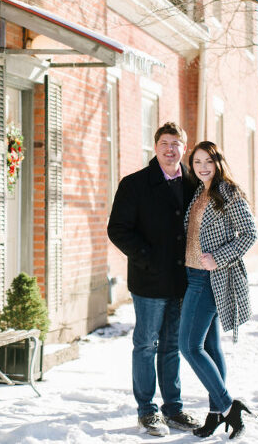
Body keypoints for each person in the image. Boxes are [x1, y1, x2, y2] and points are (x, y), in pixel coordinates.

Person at [107, 122, 200, 437]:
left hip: (182, 281)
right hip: (148, 281)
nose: (170, 149)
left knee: (172, 345)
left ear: (184, 148)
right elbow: (118, 230)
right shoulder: (135, 184)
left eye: (176, 143)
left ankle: (173, 409)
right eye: (164, 143)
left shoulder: (194, 184)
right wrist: (146, 257)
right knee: (146, 344)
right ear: (155, 146)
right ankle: (147, 411)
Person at [179, 141, 257, 440]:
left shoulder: (228, 192)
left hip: (209, 279)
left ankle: (228, 406)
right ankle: (215, 414)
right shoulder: (200, 191)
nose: (202, 167)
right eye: (197, 162)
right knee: (210, 349)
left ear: (218, 162)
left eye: (208, 161)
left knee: (189, 346)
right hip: (192, 275)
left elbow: (249, 234)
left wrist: (219, 257)